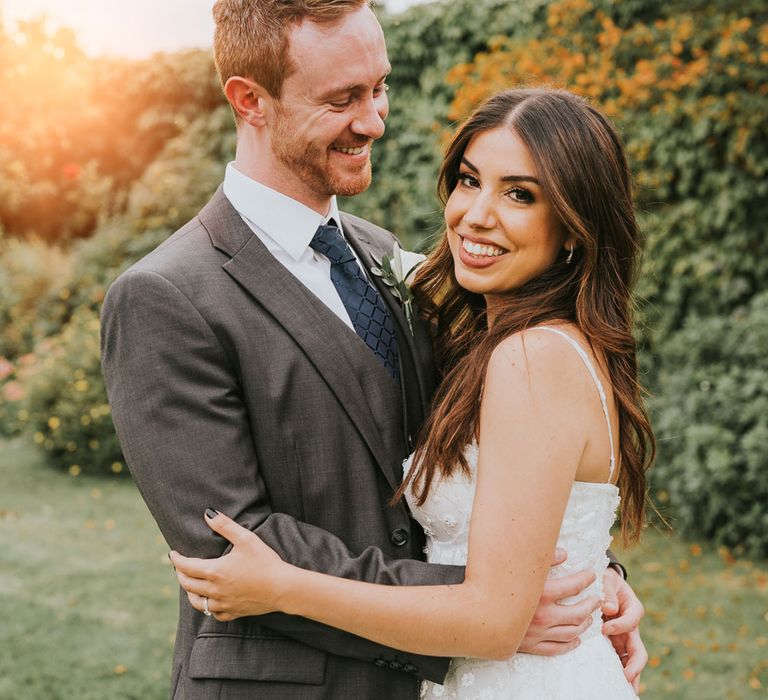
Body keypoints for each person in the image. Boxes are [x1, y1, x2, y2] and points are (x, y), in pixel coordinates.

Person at [100, 0, 645, 696]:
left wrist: (586, 580)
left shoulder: (392, 261)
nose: (374, 118)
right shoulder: (166, 297)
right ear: (250, 101)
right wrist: (495, 609)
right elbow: (229, 547)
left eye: (379, 86)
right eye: (342, 98)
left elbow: (515, 466)